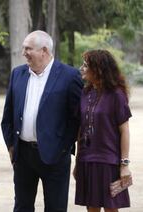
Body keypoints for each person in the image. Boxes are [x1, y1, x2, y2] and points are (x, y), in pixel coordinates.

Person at [1, 30, 83, 211]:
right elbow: (8, 116)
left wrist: (64, 147)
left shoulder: (70, 76)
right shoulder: (17, 74)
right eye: (23, 48)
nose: (24, 53)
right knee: (22, 206)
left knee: (55, 207)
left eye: (28, 49)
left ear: (44, 51)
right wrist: (11, 146)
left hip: (55, 156)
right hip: (23, 155)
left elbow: (77, 118)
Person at [74, 49, 131, 211]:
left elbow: (124, 131)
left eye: (86, 65)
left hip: (108, 161)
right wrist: (78, 161)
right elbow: (81, 129)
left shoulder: (116, 95)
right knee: (91, 208)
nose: (82, 68)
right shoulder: (85, 93)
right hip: (87, 160)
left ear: (98, 69)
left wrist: (124, 164)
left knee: (111, 208)